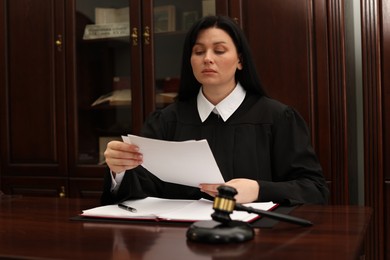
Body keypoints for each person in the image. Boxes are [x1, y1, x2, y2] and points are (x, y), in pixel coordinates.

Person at [101, 15, 329, 206]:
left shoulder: (278, 118)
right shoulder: (166, 121)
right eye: (199, 52)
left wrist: (258, 190)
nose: (207, 59)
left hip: (257, 243)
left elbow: (314, 189)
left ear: (240, 60)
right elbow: (140, 190)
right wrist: (118, 171)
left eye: (219, 51)